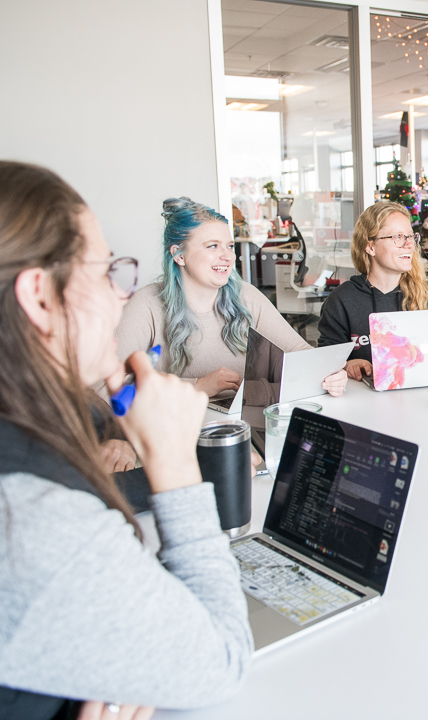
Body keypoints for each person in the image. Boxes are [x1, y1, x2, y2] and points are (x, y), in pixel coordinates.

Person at [0, 161, 252, 718]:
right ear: (41, 297)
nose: (120, 296)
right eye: (105, 272)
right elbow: (222, 660)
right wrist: (173, 463)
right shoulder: (32, 521)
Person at [113, 197, 347, 405]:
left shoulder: (246, 296)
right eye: (213, 246)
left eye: (230, 246)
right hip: (173, 434)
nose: (228, 256)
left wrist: (330, 373)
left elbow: (299, 351)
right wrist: (197, 386)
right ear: (179, 255)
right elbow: (107, 385)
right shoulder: (146, 305)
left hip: (239, 429)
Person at [317, 201, 428, 380]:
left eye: (411, 236)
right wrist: (347, 364)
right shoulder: (341, 300)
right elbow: (325, 361)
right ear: (370, 247)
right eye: (398, 237)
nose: (409, 244)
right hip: (362, 402)